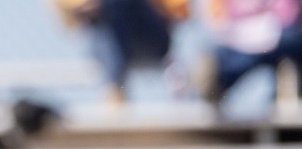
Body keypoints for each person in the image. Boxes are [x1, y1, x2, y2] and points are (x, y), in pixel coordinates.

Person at [53, 0, 187, 104]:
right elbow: (69, 21)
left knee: (114, 4)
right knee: (107, 11)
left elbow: (180, 12)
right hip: (100, 38)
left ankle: (114, 89)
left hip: (152, 37)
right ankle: (115, 88)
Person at [201, 0, 302, 105]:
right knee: (219, 62)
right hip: (238, 39)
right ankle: (214, 88)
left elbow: (289, 14)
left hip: (279, 34)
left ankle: (288, 79)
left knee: (291, 42)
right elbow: (217, 20)